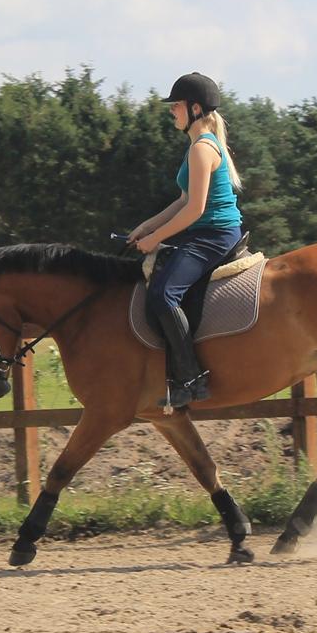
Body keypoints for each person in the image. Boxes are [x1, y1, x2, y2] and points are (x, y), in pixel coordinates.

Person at [128, 72, 243, 409]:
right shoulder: (197, 145)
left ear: (194, 108)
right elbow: (181, 200)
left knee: (164, 294)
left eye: (175, 106)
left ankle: (191, 377)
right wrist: (145, 228)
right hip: (205, 232)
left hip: (214, 234)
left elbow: (195, 209)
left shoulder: (202, 149)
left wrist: (155, 240)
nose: (171, 111)